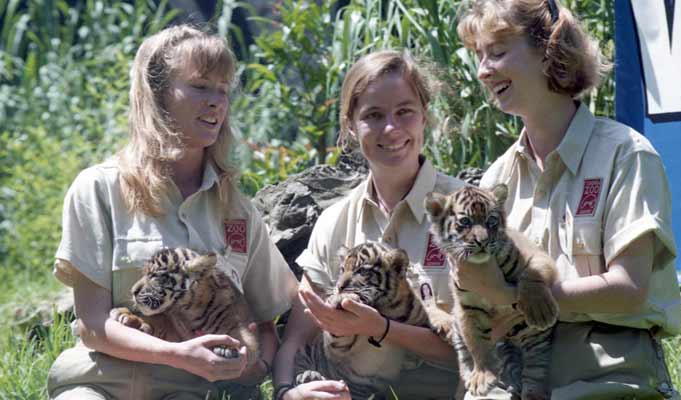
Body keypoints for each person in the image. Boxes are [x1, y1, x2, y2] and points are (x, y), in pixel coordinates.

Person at [47, 25, 298, 399]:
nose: (216, 101)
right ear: (157, 93)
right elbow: (93, 324)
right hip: (100, 382)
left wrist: (257, 368)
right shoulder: (97, 189)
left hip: (193, 392)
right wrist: (178, 354)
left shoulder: (238, 211)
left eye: (223, 90)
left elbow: (272, 320)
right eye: (200, 86)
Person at [455, 0, 681, 399]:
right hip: (515, 381)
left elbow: (629, 290)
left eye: (498, 51)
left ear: (548, 48)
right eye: (479, 56)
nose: (483, 70)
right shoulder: (496, 179)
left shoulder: (625, 154)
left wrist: (513, 298)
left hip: (610, 382)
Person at [271, 50, 465, 400]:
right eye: (373, 115)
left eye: (404, 111)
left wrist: (383, 329)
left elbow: (487, 352)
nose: (390, 128)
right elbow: (296, 339)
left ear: (425, 115)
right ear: (349, 125)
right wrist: (287, 392)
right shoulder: (335, 223)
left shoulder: (464, 212)